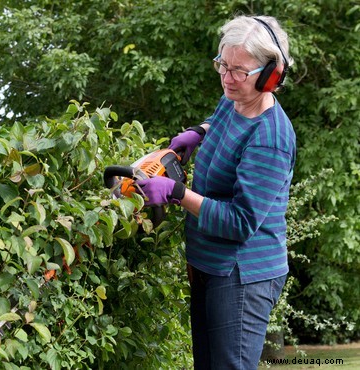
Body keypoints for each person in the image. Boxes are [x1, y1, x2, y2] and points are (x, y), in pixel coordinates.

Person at [136, 15, 296, 369]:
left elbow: (241, 222)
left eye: (239, 70)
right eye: (223, 65)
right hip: (210, 266)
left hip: (243, 277)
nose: (227, 78)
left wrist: (177, 192)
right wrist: (201, 130)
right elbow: (223, 119)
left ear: (271, 75)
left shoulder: (270, 139)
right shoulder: (233, 99)